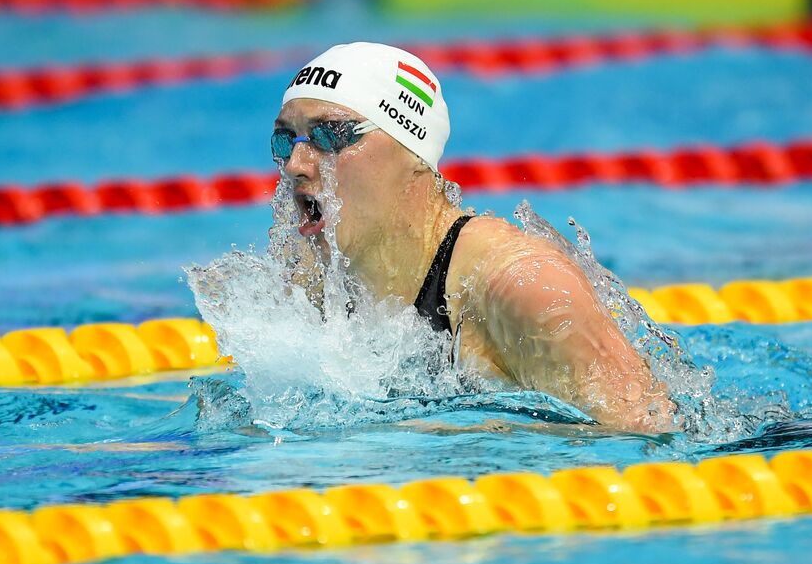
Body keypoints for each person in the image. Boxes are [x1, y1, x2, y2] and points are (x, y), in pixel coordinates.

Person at [272, 42, 675, 434]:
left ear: (413, 151)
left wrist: (476, 432)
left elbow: (652, 441)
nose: (295, 165)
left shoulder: (523, 286)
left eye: (329, 135)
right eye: (286, 140)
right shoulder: (313, 286)